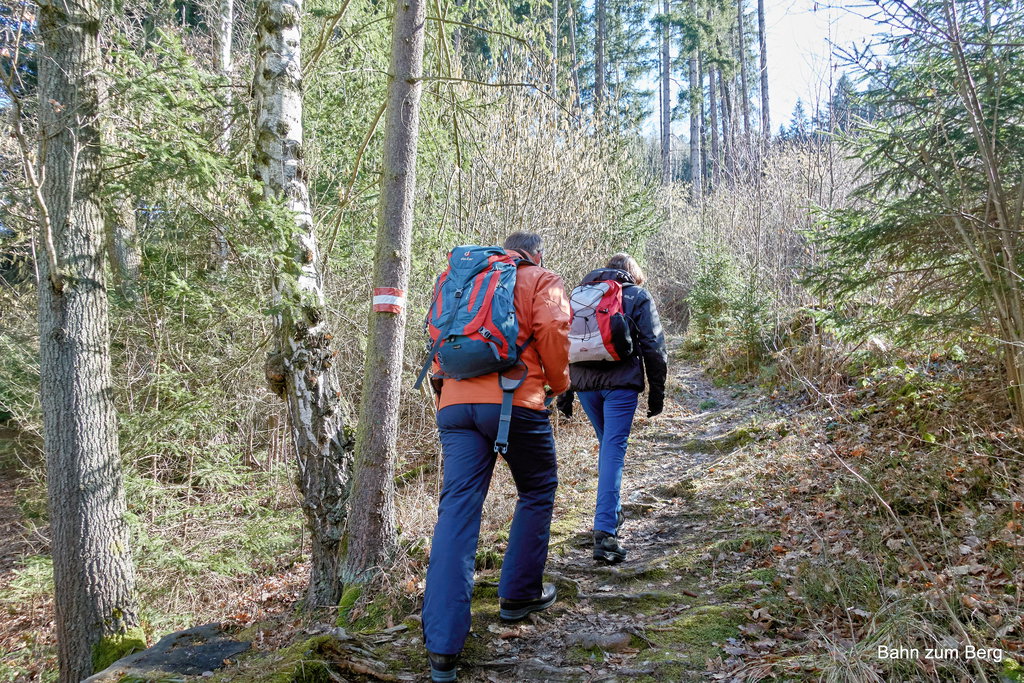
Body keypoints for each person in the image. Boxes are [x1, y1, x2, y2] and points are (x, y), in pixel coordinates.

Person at [421, 231, 571, 683]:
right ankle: (518, 596)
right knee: (538, 488)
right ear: (536, 253)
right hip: (515, 401)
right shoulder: (541, 278)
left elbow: (437, 331)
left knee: (457, 510)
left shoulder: (461, 278)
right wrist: (560, 386)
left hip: (454, 404)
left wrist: (443, 384)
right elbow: (554, 333)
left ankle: (442, 648)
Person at [558, 253, 667, 564]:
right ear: (633, 273)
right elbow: (653, 345)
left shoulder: (578, 295)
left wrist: (565, 396)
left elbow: (564, 344)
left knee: (609, 447)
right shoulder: (636, 295)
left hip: (585, 385)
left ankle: (612, 512)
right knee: (613, 449)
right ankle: (605, 532)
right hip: (620, 384)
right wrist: (656, 394)